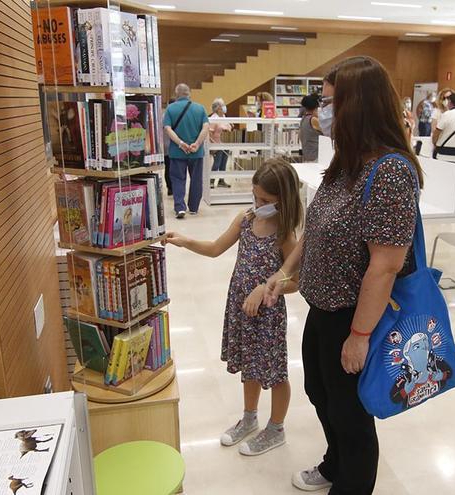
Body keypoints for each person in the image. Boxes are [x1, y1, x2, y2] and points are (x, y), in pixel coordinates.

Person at [264, 55, 422, 494]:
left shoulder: (389, 171)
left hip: (353, 316)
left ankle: (350, 483)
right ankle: (334, 464)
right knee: (321, 394)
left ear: (359, 106)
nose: (321, 113)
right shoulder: (346, 162)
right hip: (322, 307)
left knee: (352, 415)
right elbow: (313, 227)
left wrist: (359, 334)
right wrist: (283, 272)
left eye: (332, 102)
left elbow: (386, 263)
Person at [163, 157, 303, 457]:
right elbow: (215, 248)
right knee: (249, 367)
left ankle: (276, 428)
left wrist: (266, 287)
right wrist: (186, 241)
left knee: (275, 372)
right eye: (255, 196)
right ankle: (249, 417)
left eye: (265, 199)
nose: (258, 203)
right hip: (240, 309)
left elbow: (296, 282)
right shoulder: (246, 219)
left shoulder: (285, 234)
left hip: (268, 317)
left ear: (283, 199)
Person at [164, 83, 209, 219]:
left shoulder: (170, 109)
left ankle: (180, 208)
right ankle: (194, 207)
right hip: (196, 152)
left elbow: (168, 129)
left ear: (176, 94)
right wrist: (197, 143)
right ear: (189, 93)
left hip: (177, 152)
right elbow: (205, 127)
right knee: (196, 179)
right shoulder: (200, 108)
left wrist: (181, 143)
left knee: (178, 179)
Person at [432, 92, 455, 164]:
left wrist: (434, 143)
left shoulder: (447, 114)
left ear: (450, 102)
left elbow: (437, 132)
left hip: (444, 153)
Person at [209, 97, 232, 189]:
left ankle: (221, 181)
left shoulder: (224, 117)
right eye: (223, 105)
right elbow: (209, 132)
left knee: (224, 163)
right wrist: (212, 144)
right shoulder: (214, 118)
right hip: (216, 144)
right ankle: (212, 180)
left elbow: (228, 127)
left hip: (225, 143)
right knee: (217, 163)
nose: (224, 107)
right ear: (218, 108)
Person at [300, 94, 323, 162]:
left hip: (307, 156)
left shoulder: (303, 119)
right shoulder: (313, 120)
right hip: (316, 156)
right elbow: (328, 131)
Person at [163, 98, 174, 196]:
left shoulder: (164, 115)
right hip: (170, 146)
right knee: (170, 168)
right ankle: (171, 187)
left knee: (168, 167)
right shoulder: (169, 115)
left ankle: (170, 188)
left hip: (165, 146)